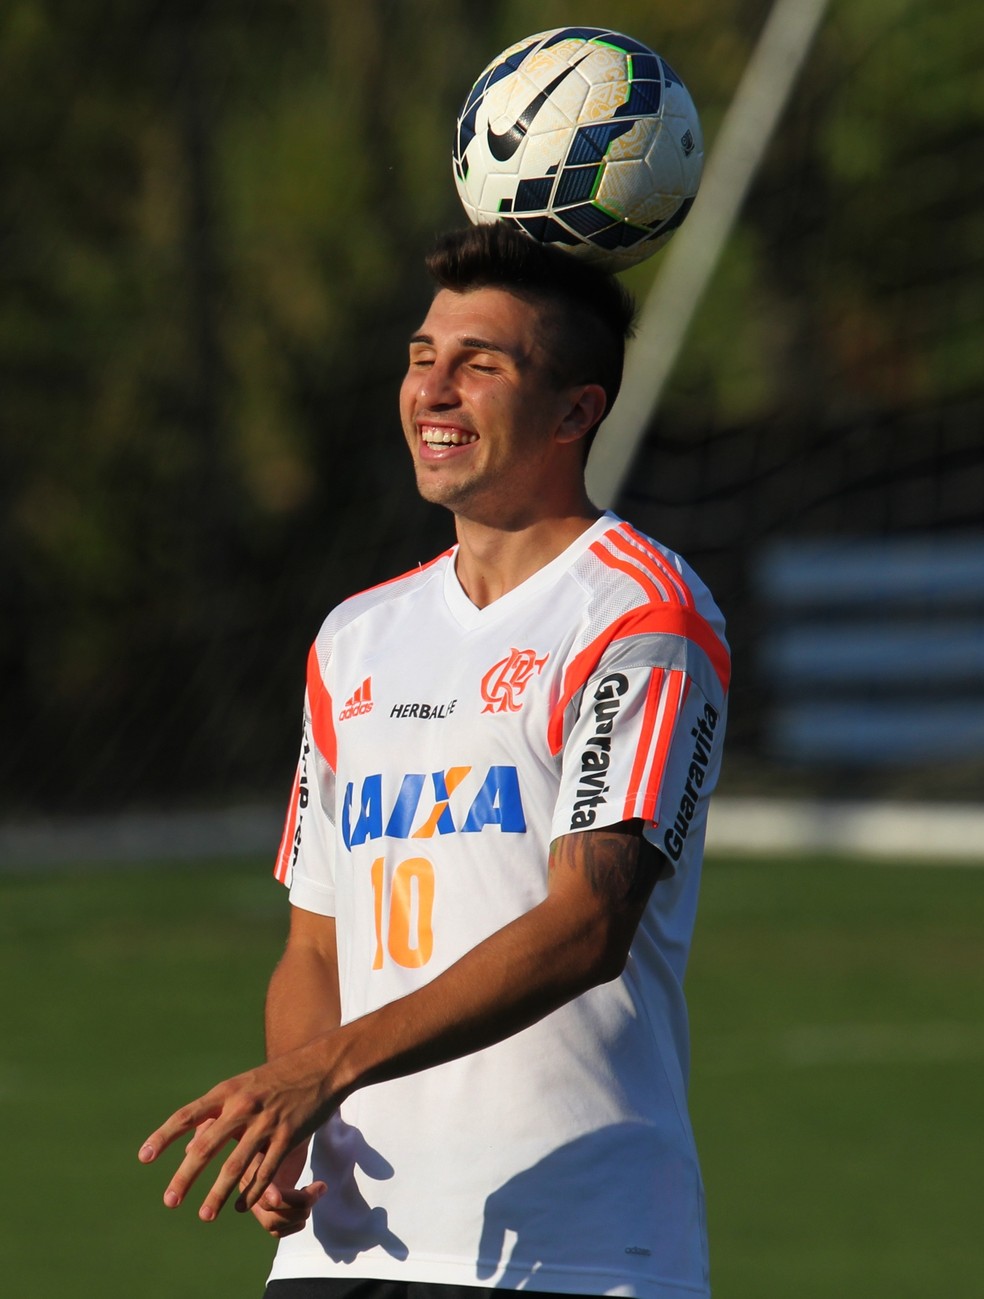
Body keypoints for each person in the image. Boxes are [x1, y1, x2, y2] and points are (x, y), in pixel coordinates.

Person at [139, 221, 730, 1299]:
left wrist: (323, 1070)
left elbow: (587, 926)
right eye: (422, 357)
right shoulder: (354, 637)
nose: (434, 390)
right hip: (340, 1245)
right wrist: (293, 1111)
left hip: (578, 1247)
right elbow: (315, 944)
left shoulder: (640, 615)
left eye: (480, 365)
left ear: (576, 411)